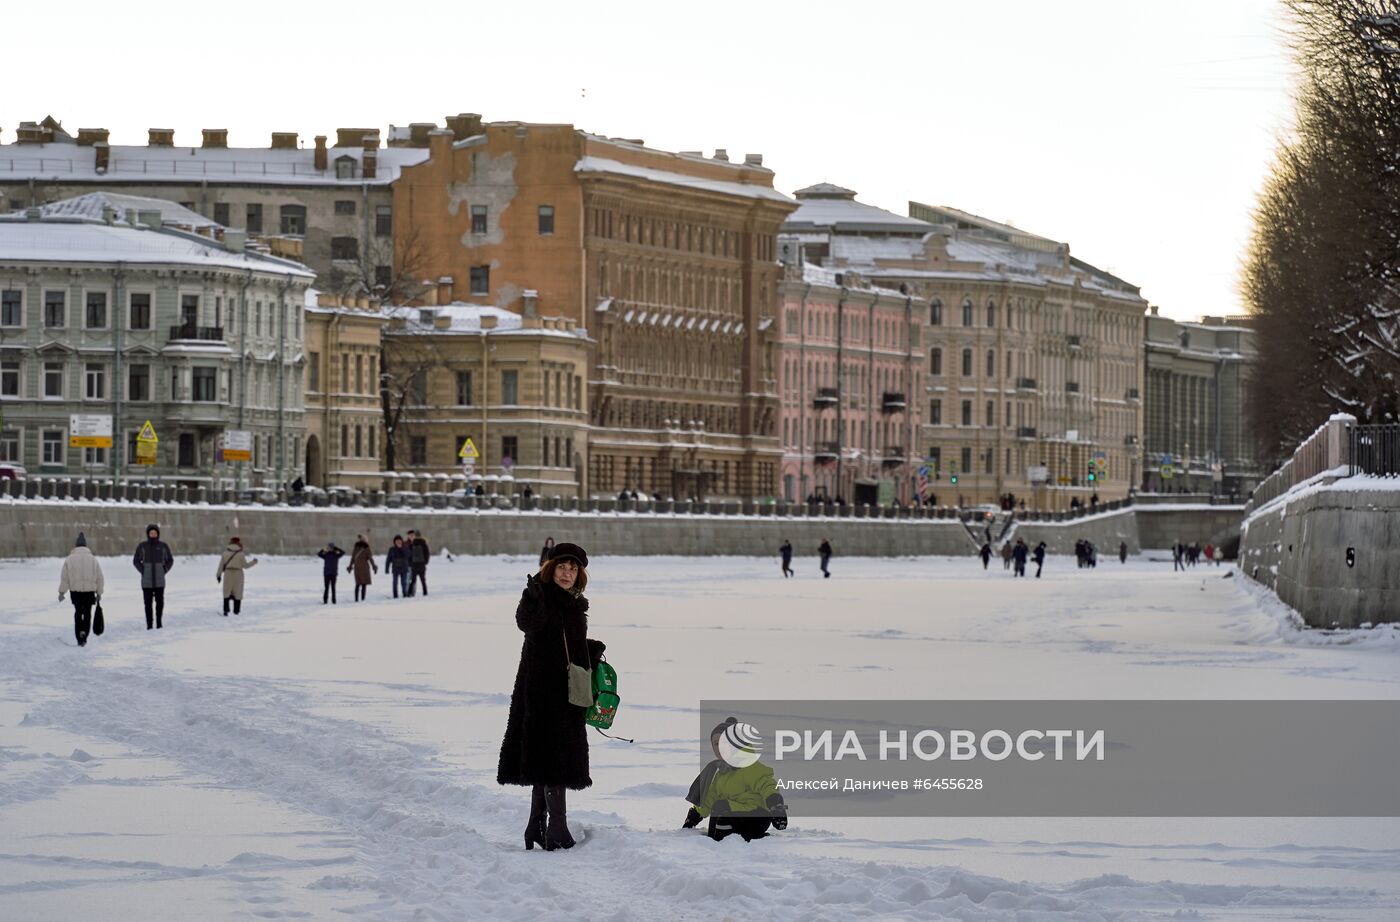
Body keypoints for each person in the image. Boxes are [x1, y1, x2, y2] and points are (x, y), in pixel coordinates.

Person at [497, 542, 605, 851]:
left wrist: (591, 650)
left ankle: (536, 824)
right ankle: (556, 829)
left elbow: (565, 643)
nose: (567, 573)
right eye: (561, 567)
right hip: (544, 692)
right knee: (555, 759)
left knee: (546, 759)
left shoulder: (572, 602)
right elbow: (527, 623)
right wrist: (531, 597)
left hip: (565, 690)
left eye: (573, 568)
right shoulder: (543, 598)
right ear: (550, 569)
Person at [683, 717, 788, 842]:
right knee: (719, 807)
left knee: (722, 809)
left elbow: (766, 784)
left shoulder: (749, 765)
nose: (719, 747)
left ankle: (724, 839)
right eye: (716, 744)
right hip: (734, 814)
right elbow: (710, 796)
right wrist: (695, 815)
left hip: (757, 816)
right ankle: (714, 839)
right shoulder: (722, 773)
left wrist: (775, 806)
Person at [59, 532, 103, 646]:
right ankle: (85, 635)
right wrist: (99, 592)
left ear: (76, 546)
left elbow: (65, 577)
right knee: (87, 613)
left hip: (76, 592)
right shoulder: (93, 559)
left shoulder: (70, 559)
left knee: (78, 612)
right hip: (89, 592)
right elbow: (99, 577)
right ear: (85, 545)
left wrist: (62, 592)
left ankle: (79, 636)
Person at [132, 523, 174, 630]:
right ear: (148, 534)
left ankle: (159, 622)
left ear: (158, 534)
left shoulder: (163, 546)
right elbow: (136, 560)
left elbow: (170, 560)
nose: (153, 534)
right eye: (151, 533)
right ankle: (149, 624)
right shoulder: (142, 546)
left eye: (155, 533)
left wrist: (164, 570)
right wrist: (143, 570)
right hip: (146, 581)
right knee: (147, 604)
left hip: (160, 581)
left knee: (160, 603)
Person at [216, 536, 257, 616]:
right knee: (238, 592)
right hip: (238, 573)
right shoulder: (241, 554)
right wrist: (253, 562)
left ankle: (226, 610)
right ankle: (236, 611)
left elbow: (221, 565)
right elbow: (245, 566)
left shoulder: (225, 553)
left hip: (228, 572)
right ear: (238, 543)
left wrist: (218, 575)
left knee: (226, 591)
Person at [349, 534, 378, 602]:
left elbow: (353, 558)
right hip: (365, 569)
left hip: (357, 569)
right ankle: (362, 600)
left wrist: (350, 566)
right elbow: (370, 559)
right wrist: (374, 566)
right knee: (364, 584)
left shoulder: (356, 548)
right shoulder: (367, 548)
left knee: (358, 584)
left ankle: (356, 600)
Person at [409, 530, 431, 596]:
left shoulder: (412, 544)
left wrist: (410, 563)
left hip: (414, 565)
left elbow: (409, 555)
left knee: (413, 580)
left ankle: (409, 592)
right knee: (423, 580)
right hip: (422, 564)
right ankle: (425, 592)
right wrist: (425, 562)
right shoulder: (424, 544)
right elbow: (427, 553)